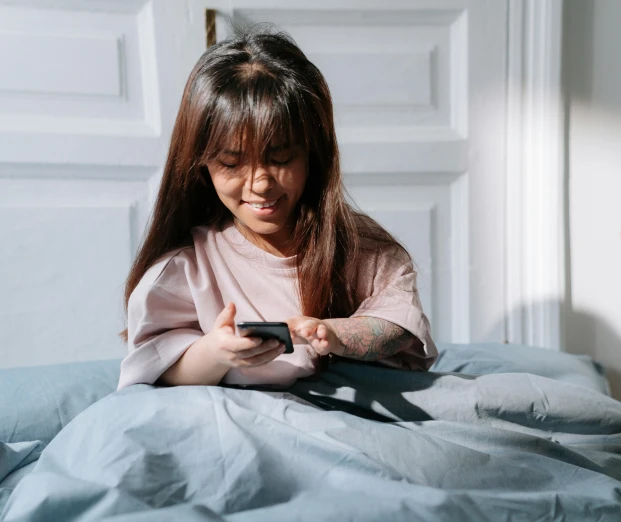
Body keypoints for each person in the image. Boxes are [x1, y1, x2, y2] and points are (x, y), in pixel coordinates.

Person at [116, 29, 436, 390]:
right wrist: (216, 353)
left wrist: (332, 333)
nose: (261, 184)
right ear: (201, 166)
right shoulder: (181, 271)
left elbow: (398, 328)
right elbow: (156, 373)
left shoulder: (369, 251)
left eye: (280, 157)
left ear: (313, 152)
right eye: (231, 164)